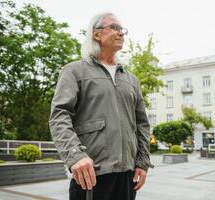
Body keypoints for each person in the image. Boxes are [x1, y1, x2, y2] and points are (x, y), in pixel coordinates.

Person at [49, 12, 153, 200]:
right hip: (90, 175)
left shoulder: (131, 79)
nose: (121, 33)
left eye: (122, 29)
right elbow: (59, 115)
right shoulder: (74, 71)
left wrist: (143, 162)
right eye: (114, 27)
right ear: (96, 34)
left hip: (127, 177)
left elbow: (142, 125)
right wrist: (75, 155)